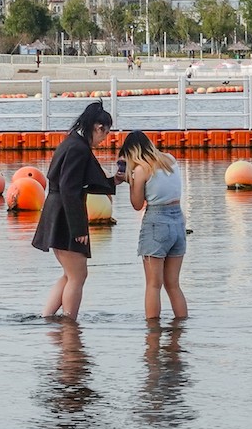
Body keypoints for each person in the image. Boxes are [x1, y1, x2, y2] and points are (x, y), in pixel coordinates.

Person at [32, 101, 117, 321]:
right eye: (106, 133)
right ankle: (70, 324)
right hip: (65, 214)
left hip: (57, 210)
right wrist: (78, 228)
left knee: (70, 274)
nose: (105, 138)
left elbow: (80, 183)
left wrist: (114, 181)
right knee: (78, 275)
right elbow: (70, 189)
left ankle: (48, 318)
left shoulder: (72, 142)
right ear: (98, 127)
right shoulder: (78, 148)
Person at [121, 129, 187, 321]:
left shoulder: (141, 170)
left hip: (156, 223)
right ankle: (181, 329)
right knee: (173, 285)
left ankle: (152, 331)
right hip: (178, 221)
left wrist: (131, 181)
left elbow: (137, 205)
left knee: (153, 285)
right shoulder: (170, 160)